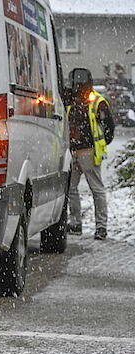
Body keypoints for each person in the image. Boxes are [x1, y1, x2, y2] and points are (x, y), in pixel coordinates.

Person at [66, 68, 115, 240]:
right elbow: (109, 127)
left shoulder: (96, 101)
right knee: (72, 189)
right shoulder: (71, 100)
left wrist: (101, 144)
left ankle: (99, 227)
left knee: (94, 189)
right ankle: (78, 224)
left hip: (87, 150)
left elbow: (109, 126)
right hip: (73, 150)